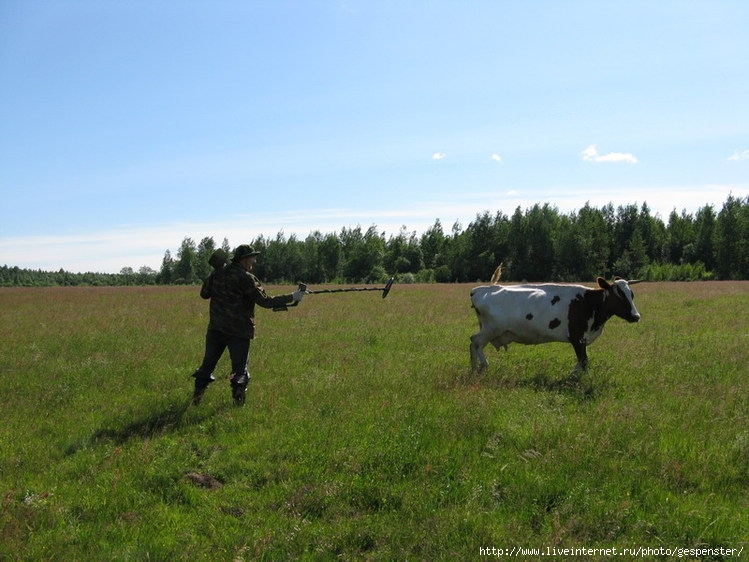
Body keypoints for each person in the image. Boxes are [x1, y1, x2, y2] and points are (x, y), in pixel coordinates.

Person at [190, 244, 306, 406]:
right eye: (252, 257)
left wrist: (215, 273)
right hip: (238, 331)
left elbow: (204, 294)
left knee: (206, 366)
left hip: (215, 329)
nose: (254, 260)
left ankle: (196, 400)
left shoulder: (218, 274)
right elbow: (265, 302)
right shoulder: (246, 277)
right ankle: (238, 406)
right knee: (239, 371)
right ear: (244, 260)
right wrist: (292, 296)